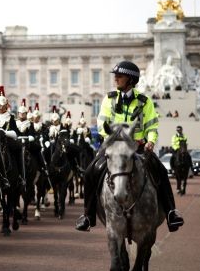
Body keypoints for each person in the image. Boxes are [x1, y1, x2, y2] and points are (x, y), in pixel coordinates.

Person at [75, 60, 184, 232]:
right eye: (115, 75)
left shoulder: (144, 102)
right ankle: (88, 216)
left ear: (131, 80)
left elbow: (152, 126)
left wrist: (150, 141)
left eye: (120, 76)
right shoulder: (109, 99)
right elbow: (103, 124)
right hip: (114, 147)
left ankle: (171, 212)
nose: (116, 78)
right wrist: (111, 140)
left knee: (161, 171)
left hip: (138, 148)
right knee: (90, 172)